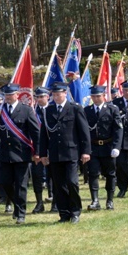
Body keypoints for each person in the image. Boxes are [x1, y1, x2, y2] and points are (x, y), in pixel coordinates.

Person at [38, 82, 91, 224]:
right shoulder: (48, 110)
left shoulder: (75, 108)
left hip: (71, 152)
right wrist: (42, 153)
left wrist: (86, 151)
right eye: (53, 95)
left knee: (72, 182)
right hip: (55, 154)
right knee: (59, 185)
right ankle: (64, 214)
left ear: (65, 94)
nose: (56, 97)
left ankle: (75, 211)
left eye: (58, 94)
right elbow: (44, 134)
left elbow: (84, 132)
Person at [0, 83, 40, 224]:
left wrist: (38, 152)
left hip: (21, 154)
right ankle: (17, 205)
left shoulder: (26, 110)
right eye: (6, 95)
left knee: (21, 185)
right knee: (4, 182)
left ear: (17, 95)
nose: (8, 97)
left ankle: (21, 213)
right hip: (4, 154)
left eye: (10, 94)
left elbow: (35, 133)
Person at [84, 86, 123, 211]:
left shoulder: (112, 109)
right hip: (93, 147)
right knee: (93, 174)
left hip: (108, 146)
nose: (95, 99)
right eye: (93, 96)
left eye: (98, 96)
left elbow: (118, 129)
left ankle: (110, 200)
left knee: (110, 174)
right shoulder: (87, 110)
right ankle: (95, 200)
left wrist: (116, 147)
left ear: (103, 96)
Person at [31, 87, 54, 213]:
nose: (39, 99)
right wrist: (37, 152)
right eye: (37, 97)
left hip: (53, 149)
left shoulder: (53, 110)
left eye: (42, 97)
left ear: (47, 97)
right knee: (37, 176)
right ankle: (39, 203)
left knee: (54, 176)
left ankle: (55, 201)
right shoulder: (33, 112)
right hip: (37, 150)